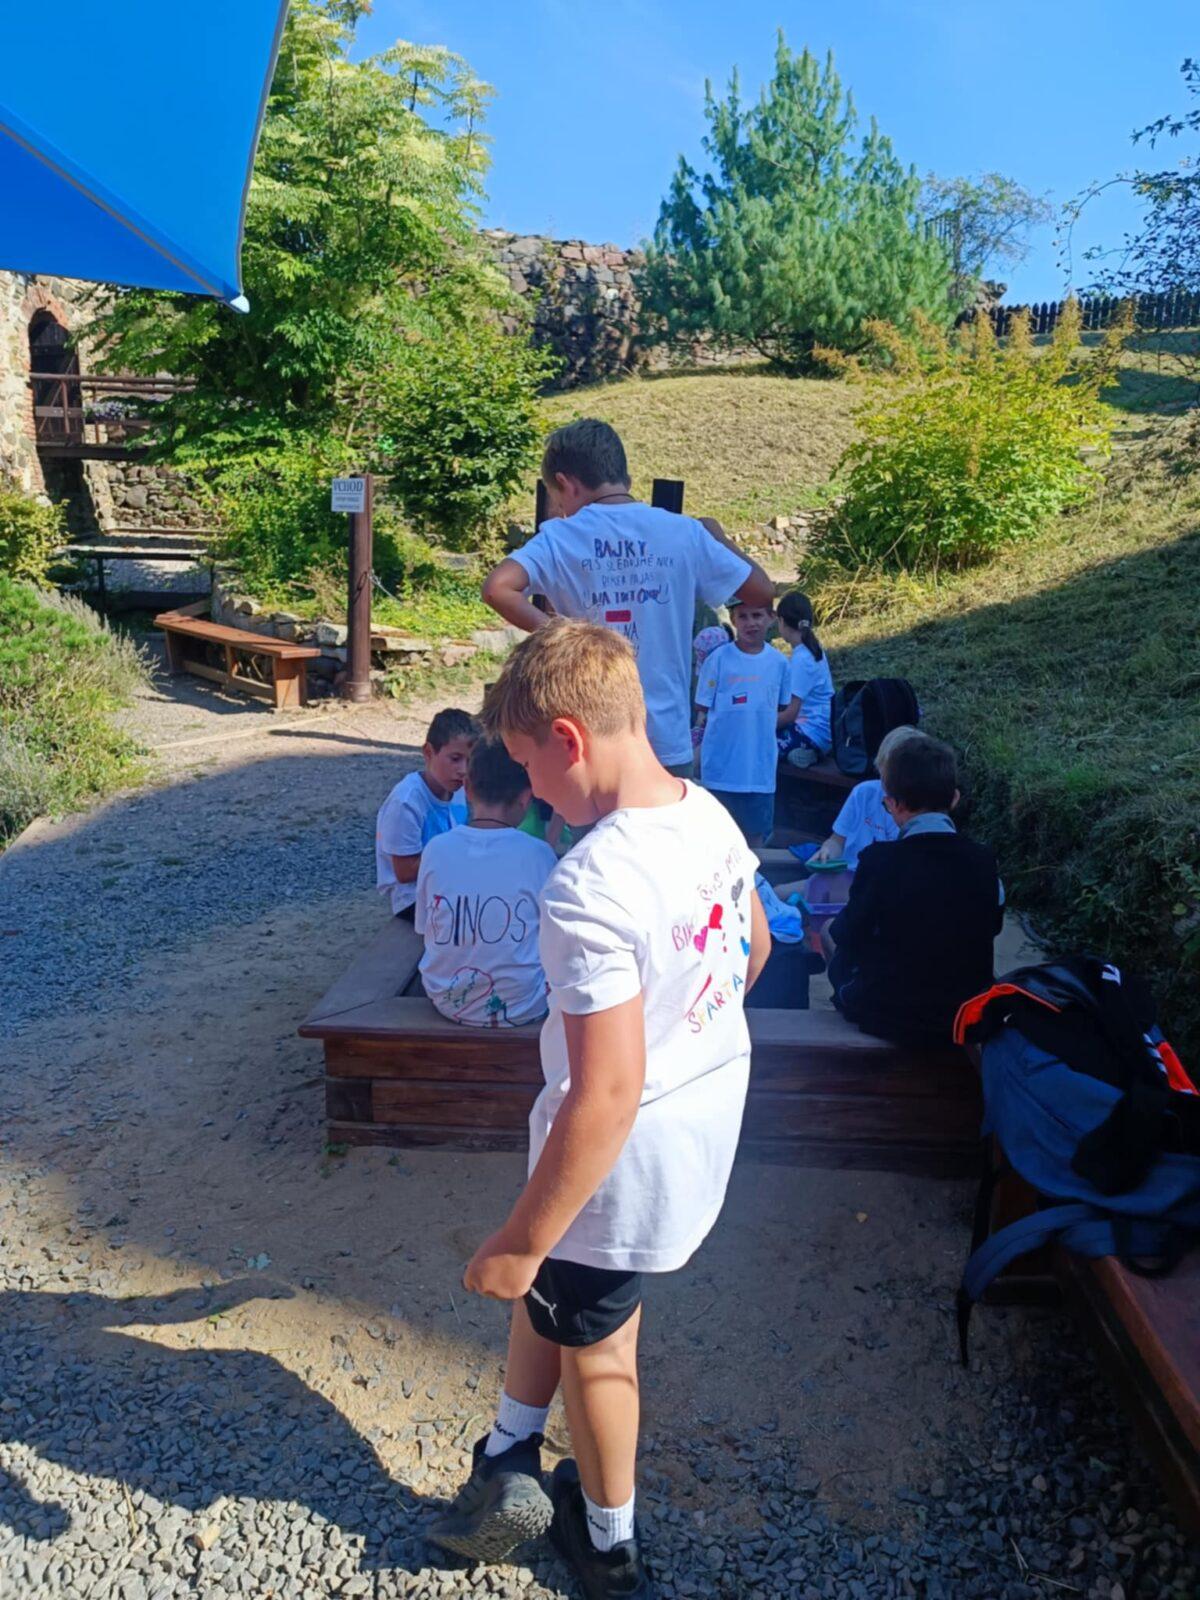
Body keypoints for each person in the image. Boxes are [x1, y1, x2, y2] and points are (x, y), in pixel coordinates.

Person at [429, 619, 771, 1599]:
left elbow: (608, 1090)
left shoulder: (587, 883)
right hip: (700, 1121)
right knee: (563, 1296)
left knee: (599, 1343)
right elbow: (753, 950)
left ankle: (608, 1539)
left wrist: (518, 1239)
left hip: (616, 1164)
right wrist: (686, 1027)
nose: (535, 792)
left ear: (570, 741)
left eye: (533, 767)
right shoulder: (709, 815)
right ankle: (510, 1451)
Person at [480, 418, 774, 777]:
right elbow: (761, 591)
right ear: (625, 478)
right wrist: (718, 536)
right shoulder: (683, 532)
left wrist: (564, 638)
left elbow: (497, 588)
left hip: (591, 737)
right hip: (665, 740)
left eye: (558, 500)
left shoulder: (560, 537)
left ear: (565, 483)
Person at [821, 736, 1002, 1047]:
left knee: (827, 929)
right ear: (954, 799)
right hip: (965, 1018)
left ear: (893, 803)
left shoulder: (879, 861)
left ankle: (845, 1022)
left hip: (888, 1016)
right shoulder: (985, 861)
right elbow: (993, 926)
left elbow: (847, 933)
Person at [416, 738, 557, 1027]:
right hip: (523, 1005)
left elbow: (423, 928)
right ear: (526, 797)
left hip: (445, 999)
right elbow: (553, 938)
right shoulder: (539, 855)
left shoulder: (436, 850)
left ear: (467, 788)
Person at [694, 598, 791, 847]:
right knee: (714, 843)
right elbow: (702, 707)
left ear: (770, 618)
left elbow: (782, 705)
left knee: (755, 843)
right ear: (733, 620)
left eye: (757, 615)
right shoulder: (717, 660)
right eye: (743, 616)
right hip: (719, 773)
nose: (751, 623)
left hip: (758, 774)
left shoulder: (780, 663)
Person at [374, 709, 477, 921]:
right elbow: (404, 873)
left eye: (470, 761)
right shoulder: (406, 802)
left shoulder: (456, 789)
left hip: (448, 882)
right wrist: (457, 848)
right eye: (455, 759)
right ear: (429, 752)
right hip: (413, 898)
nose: (463, 770)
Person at [809, 725, 926, 868]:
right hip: (848, 870)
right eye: (889, 770)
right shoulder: (863, 792)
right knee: (803, 882)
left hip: (884, 878)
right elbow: (837, 840)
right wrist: (827, 851)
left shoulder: (918, 808)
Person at [775, 591, 834, 770]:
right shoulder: (811, 649)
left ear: (782, 621)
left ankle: (809, 751)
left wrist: (760, 725)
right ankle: (808, 750)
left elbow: (790, 714)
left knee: (758, 745)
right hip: (824, 730)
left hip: (811, 732)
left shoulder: (801, 659)